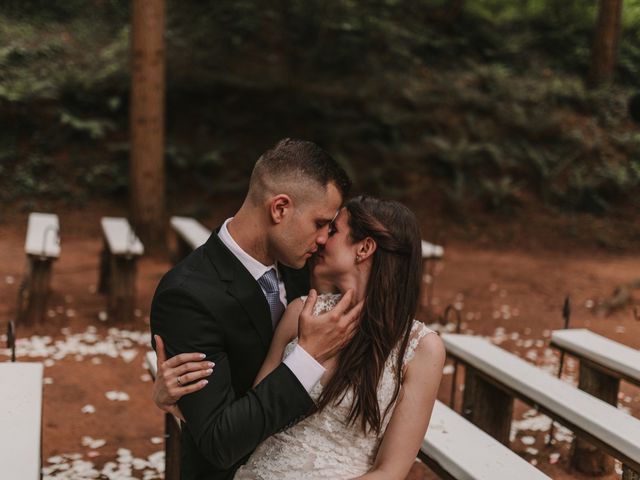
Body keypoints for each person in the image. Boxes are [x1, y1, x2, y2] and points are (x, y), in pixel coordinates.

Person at [154, 196, 446, 479]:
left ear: (365, 247)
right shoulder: (299, 312)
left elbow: (390, 472)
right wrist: (180, 404)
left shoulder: (421, 349)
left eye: (332, 230)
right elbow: (253, 420)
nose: (321, 239)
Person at [150, 138, 361, 480]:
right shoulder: (187, 295)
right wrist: (306, 357)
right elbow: (219, 442)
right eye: (319, 223)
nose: (324, 238)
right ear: (280, 209)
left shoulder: (302, 267)